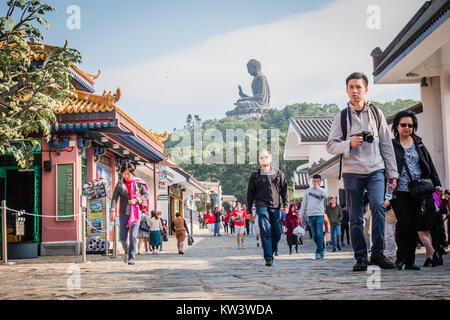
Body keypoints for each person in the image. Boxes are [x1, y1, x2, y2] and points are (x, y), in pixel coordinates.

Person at [326, 72, 398, 271]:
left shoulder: (376, 113)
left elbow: (386, 145)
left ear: (366, 89)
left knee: (378, 206)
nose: (355, 91)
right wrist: (349, 143)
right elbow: (331, 146)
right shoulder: (341, 117)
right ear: (347, 90)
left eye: (358, 87)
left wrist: (393, 174)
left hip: (375, 169)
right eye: (351, 87)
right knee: (356, 217)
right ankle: (360, 257)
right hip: (352, 171)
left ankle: (377, 253)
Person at [390, 110, 442, 270]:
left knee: (413, 224)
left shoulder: (418, 143)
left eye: (410, 125)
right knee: (404, 221)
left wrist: (437, 184)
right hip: (398, 190)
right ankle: (400, 258)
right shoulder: (392, 145)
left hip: (417, 190)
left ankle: (410, 261)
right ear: (397, 126)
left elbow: (429, 163)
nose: (407, 128)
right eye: (403, 125)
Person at [247, 150, 289, 267]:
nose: (264, 159)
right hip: (261, 206)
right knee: (265, 230)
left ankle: (272, 247)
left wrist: (286, 205)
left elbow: (285, 190)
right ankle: (268, 257)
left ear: (270, 158)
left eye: (266, 157)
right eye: (261, 158)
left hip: (276, 206)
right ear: (259, 160)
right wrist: (249, 210)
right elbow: (250, 193)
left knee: (277, 232)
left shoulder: (279, 174)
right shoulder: (255, 175)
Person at [110, 162, 149, 265]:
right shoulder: (120, 184)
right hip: (123, 213)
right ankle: (127, 251)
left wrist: (136, 200)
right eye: (124, 173)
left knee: (133, 236)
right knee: (123, 237)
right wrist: (112, 210)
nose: (126, 175)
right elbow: (114, 197)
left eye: (128, 173)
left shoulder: (139, 183)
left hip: (136, 212)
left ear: (132, 173)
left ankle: (131, 257)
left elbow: (146, 195)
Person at [299, 174, 328, 259]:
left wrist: (317, 187)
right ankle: (322, 249)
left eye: (317, 181)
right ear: (312, 182)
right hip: (310, 216)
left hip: (319, 215)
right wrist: (300, 215)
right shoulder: (308, 191)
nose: (315, 183)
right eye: (314, 181)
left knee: (319, 234)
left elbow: (325, 195)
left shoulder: (322, 190)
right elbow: (304, 203)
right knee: (314, 235)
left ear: (320, 181)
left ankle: (318, 252)